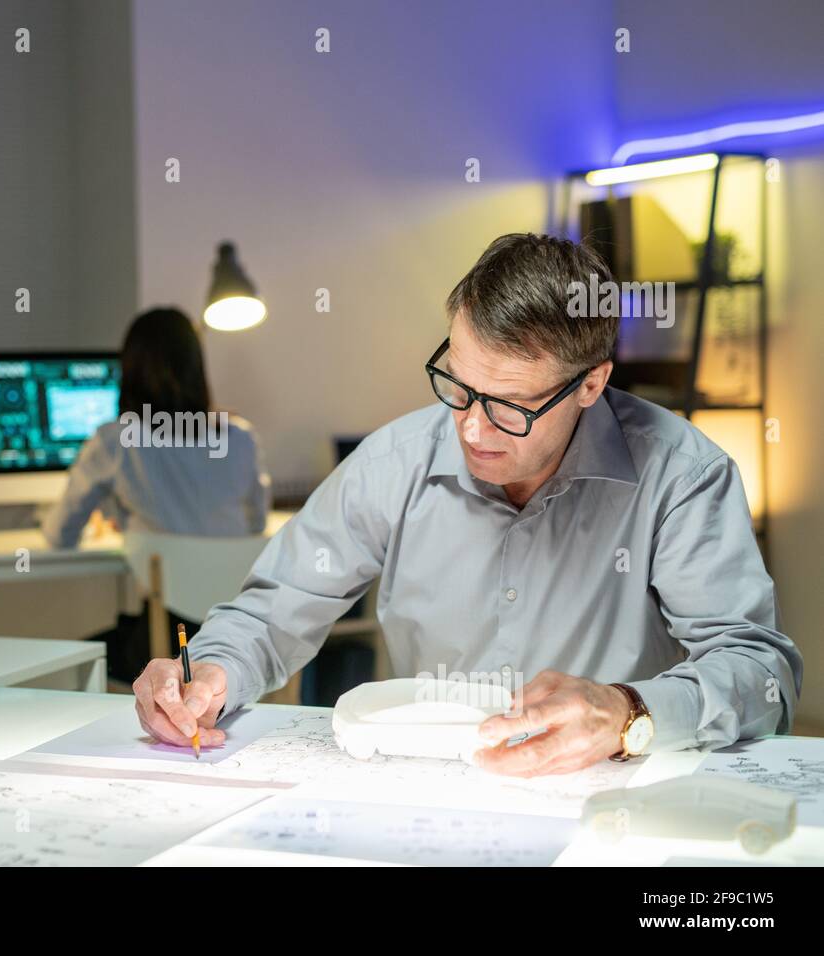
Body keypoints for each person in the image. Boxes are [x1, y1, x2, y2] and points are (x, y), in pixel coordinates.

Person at [133, 233, 802, 775]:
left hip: (616, 797)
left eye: (510, 406)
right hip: (432, 790)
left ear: (591, 383)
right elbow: (270, 614)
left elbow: (758, 671)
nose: (472, 429)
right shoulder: (393, 463)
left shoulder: (681, 476)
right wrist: (206, 673)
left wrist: (627, 712)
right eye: (457, 383)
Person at [42, 307, 270, 680]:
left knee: (80, 659)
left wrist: (128, 522)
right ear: (198, 368)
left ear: (129, 371)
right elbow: (255, 525)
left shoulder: (116, 440)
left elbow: (59, 536)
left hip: (166, 650)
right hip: (237, 641)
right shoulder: (240, 438)